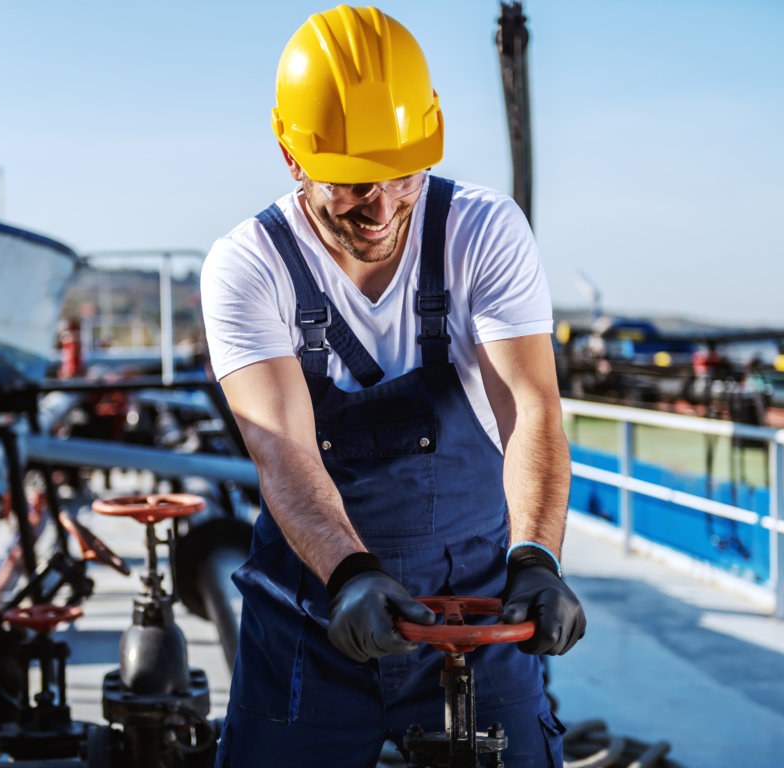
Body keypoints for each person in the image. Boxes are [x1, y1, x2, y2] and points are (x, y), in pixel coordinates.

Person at [199, 6, 585, 766]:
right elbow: (283, 452)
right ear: (292, 155)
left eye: (401, 175)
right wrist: (348, 573)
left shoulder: (483, 233)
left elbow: (531, 411)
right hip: (311, 618)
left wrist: (537, 558)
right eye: (350, 184)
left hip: (474, 610)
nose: (380, 208)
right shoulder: (249, 266)